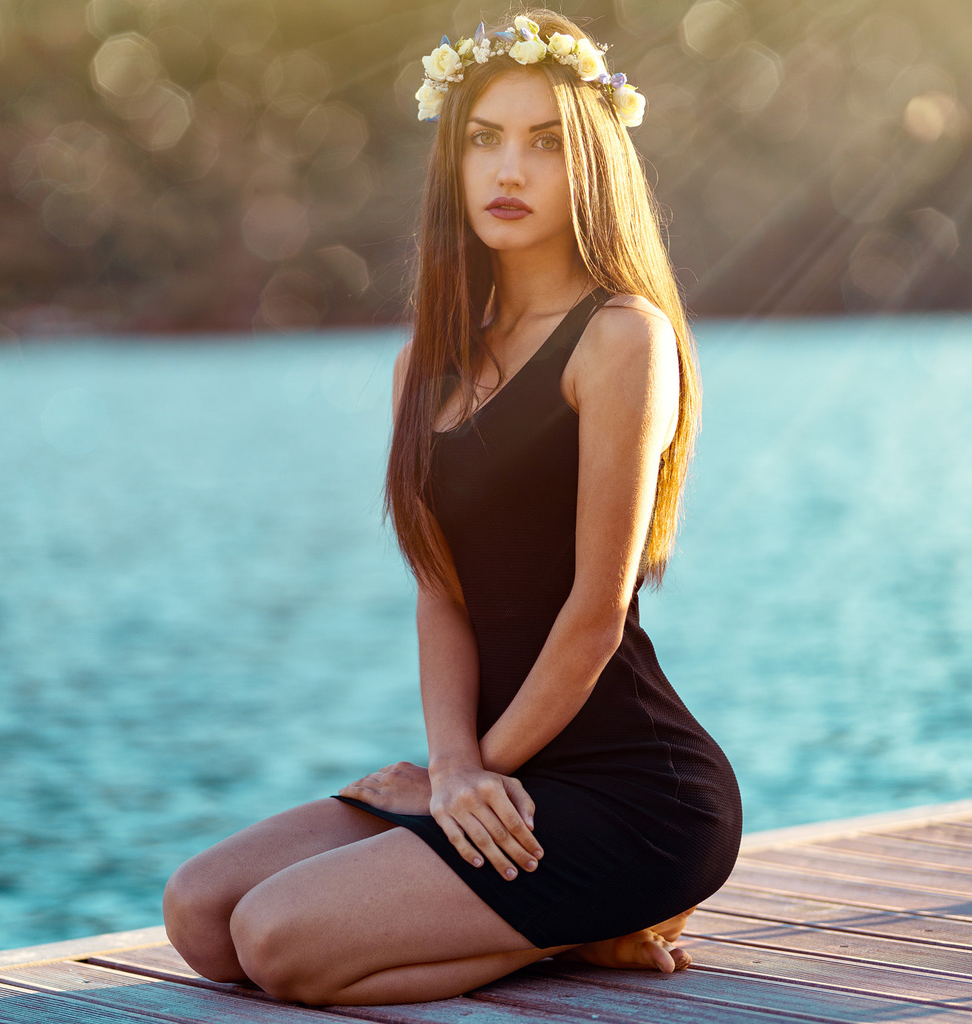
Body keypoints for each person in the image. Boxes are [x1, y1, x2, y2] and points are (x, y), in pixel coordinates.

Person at [161, 8, 742, 1007]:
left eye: (544, 143)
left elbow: (593, 614)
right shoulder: (419, 368)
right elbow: (441, 598)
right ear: (452, 160)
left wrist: (466, 780)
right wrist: (447, 767)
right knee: (203, 914)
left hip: (632, 792)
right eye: (483, 140)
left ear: (591, 164)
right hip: (487, 771)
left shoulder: (618, 337)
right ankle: (573, 927)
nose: (506, 170)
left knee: (279, 941)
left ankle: (585, 922)